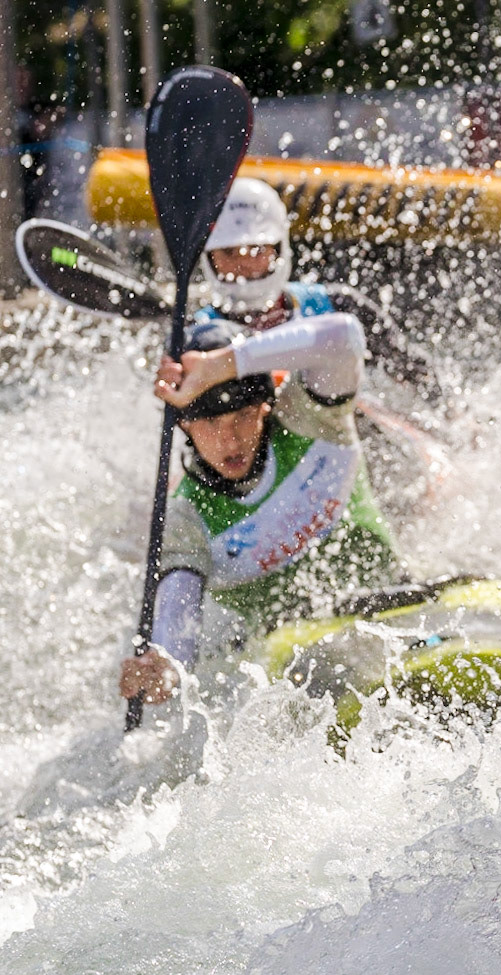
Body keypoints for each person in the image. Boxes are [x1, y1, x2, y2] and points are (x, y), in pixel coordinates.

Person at [117, 314, 403, 706]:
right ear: (184, 426)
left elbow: (346, 337)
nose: (229, 439)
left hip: (394, 605)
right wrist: (164, 668)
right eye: (211, 423)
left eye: (242, 416)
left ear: (265, 407)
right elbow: (176, 634)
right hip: (300, 669)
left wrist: (220, 365)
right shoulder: (186, 518)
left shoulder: (311, 420)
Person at [197, 177, 441, 406]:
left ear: (279, 247)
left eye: (256, 249)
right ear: (209, 256)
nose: (245, 264)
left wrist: (453, 416)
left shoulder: (339, 305)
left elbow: (412, 369)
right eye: (229, 253)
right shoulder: (198, 334)